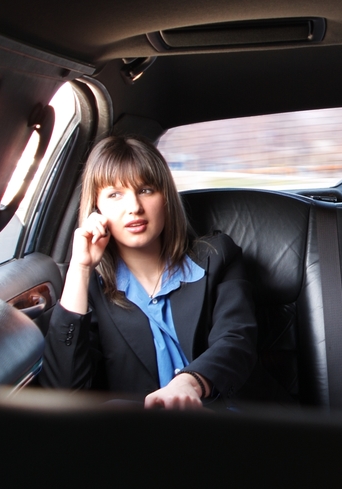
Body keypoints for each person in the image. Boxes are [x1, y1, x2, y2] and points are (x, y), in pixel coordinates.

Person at [42, 135, 257, 409]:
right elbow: (63, 392)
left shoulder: (218, 256)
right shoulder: (89, 290)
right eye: (115, 194)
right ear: (97, 209)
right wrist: (80, 268)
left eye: (145, 190)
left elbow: (237, 340)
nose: (134, 208)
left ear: (165, 197)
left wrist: (189, 382)